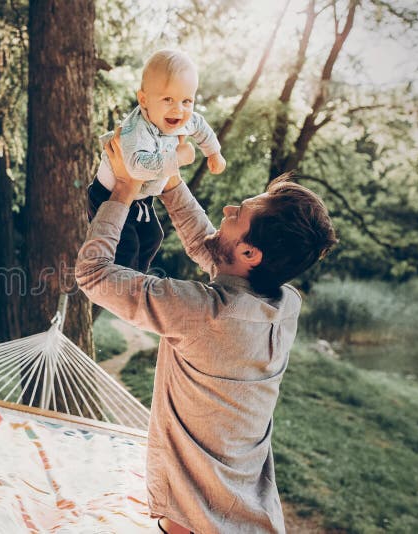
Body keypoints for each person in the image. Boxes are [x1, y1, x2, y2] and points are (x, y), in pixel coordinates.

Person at [75, 127, 338, 533]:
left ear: (252, 253)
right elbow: (214, 251)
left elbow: (93, 274)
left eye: (238, 214)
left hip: (196, 522)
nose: (229, 208)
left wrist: (123, 192)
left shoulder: (202, 314)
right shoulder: (285, 306)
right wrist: (170, 179)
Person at [88, 48, 226, 273]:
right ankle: (123, 282)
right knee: (127, 246)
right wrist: (176, 159)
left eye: (187, 101)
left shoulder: (181, 118)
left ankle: (138, 279)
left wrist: (214, 152)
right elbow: (136, 168)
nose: (178, 109)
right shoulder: (136, 130)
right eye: (168, 99)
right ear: (143, 99)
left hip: (140, 198)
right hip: (108, 196)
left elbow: (201, 127)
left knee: (153, 236)